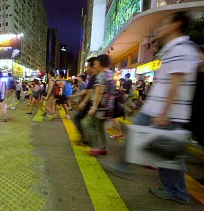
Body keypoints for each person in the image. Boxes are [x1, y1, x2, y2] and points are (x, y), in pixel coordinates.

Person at [105, 11, 200, 204]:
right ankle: (173, 189)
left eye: (164, 24)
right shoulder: (176, 49)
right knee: (166, 153)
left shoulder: (180, 49)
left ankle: (176, 191)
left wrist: (165, 113)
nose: (159, 28)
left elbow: (176, 83)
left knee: (169, 154)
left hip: (166, 112)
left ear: (175, 24)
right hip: (158, 109)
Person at [81, 54, 115, 155]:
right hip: (108, 107)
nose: (94, 66)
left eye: (95, 64)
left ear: (100, 64)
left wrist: (94, 107)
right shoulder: (110, 73)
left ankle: (95, 147)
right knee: (100, 127)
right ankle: (103, 148)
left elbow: (99, 92)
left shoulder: (101, 75)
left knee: (86, 123)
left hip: (100, 107)